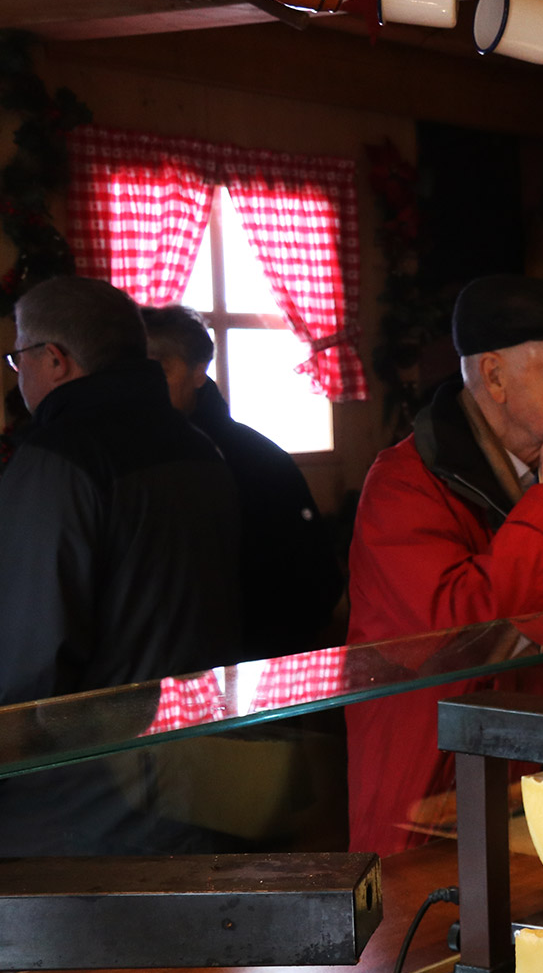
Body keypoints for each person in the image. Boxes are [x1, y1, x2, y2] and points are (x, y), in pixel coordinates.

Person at [345, 275, 543, 855]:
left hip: (541, 781)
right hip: (432, 794)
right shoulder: (403, 484)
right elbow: (454, 630)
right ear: (494, 377)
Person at [0, 276, 240, 854]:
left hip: (78, 804)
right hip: (197, 776)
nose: (18, 373)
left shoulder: (58, 461)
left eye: (18, 358)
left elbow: (31, 664)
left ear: (54, 360)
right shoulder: (199, 448)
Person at [141, 305, 346, 660]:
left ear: (198, 372)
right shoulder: (124, 455)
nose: (145, 385)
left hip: (252, 661)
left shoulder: (255, 458)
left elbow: (314, 578)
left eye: (160, 369)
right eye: (134, 371)